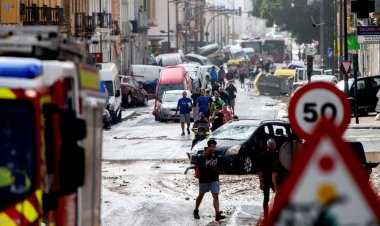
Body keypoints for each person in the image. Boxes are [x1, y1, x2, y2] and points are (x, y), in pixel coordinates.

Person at [193, 139, 226, 221]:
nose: (212, 148)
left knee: (215, 196)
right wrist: (202, 156)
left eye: (213, 147)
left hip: (214, 179)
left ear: (215, 147)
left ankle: (217, 214)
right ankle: (196, 210)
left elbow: (221, 165)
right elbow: (196, 163)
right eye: (210, 146)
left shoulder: (216, 155)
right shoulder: (203, 155)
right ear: (208, 147)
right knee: (201, 196)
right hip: (204, 179)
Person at [258, 138, 279, 218]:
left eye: (273, 143)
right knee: (266, 198)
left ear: (275, 144)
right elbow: (259, 169)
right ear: (267, 144)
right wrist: (261, 181)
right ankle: (266, 216)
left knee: (277, 197)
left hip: (276, 180)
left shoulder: (279, 154)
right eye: (270, 143)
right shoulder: (263, 155)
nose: (272, 145)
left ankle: (275, 214)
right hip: (266, 179)